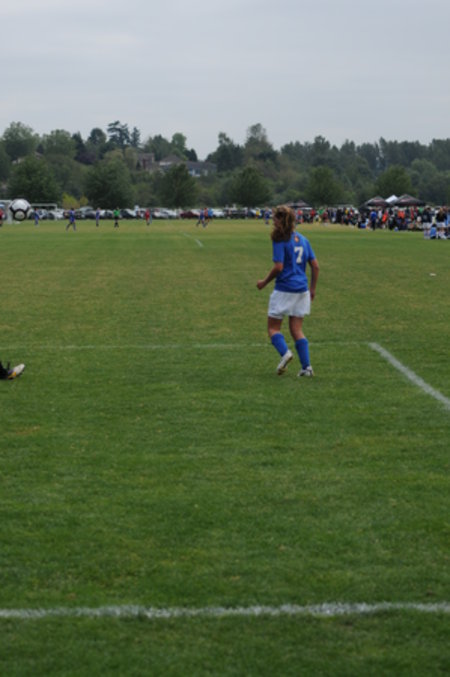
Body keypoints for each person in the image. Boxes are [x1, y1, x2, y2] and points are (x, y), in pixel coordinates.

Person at [257, 205, 319, 377]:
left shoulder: (280, 239)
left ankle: (285, 353)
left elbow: (279, 267)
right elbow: (315, 266)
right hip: (302, 290)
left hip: (284, 289)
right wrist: (312, 289)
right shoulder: (304, 239)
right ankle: (306, 368)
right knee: (297, 330)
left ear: (281, 220)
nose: (273, 222)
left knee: (273, 329)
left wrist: (264, 282)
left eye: (275, 219)